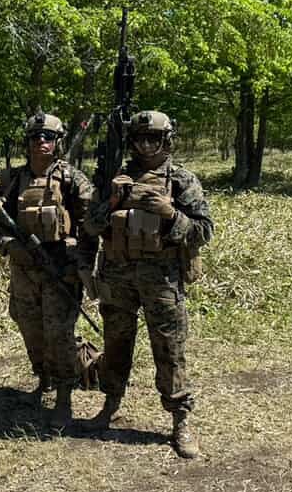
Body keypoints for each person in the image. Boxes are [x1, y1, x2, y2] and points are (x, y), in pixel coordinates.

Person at [83, 110, 213, 458]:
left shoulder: (181, 180)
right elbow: (91, 226)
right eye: (139, 139)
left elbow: (204, 231)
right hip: (118, 276)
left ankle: (180, 421)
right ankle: (110, 405)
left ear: (167, 141)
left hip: (162, 280)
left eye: (153, 139)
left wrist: (171, 213)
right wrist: (111, 201)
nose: (145, 145)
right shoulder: (115, 177)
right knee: (116, 343)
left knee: (169, 350)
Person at [0, 113, 97, 426]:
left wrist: (77, 253)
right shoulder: (12, 179)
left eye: (48, 136)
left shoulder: (72, 179)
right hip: (24, 268)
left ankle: (64, 395)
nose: (41, 142)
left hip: (59, 269)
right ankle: (43, 377)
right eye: (36, 137)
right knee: (28, 325)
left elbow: (90, 222)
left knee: (59, 333)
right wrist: (10, 245)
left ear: (58, 141)